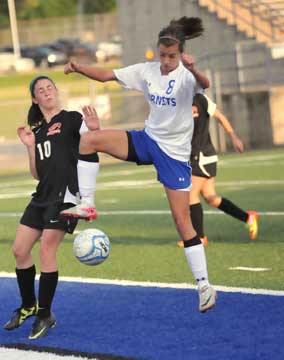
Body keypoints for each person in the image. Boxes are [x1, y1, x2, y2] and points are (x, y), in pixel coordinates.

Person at [62, 17, 217, 313]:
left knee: (182, 221)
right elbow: (108, 74)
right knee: (89, 140)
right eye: (163, 55)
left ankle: (204, 285)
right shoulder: (147, 72)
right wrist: (79, 68)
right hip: (148, 140)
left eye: (172, 56)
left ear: (180, 54)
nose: (167, 61)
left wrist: (193, 67)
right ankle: (88, 204)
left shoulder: (186, 75)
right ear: (158, 51)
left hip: (173, 156)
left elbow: (204, 84)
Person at [3, 76, 99, 340]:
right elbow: (36, 173)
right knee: (19, 250)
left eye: (50, 88)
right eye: (40, 91)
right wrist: (30, 147)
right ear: (35, 99)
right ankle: (28, 305)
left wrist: (93, 129)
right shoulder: (37, 131)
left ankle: (44, 314)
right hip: (42, 196)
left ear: (56, 92)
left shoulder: (71, 119)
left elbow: (90, 145)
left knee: (47, 249)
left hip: (66, 196)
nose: (47, 92)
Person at [177, 93, 259, 247]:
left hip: (202, 155)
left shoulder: (200, 98)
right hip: (193, 155)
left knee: (190, 194)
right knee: (210, 197)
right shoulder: (176, 100)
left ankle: (199, 238)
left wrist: (233, 137)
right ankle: (249, 217)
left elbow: (220, 117)